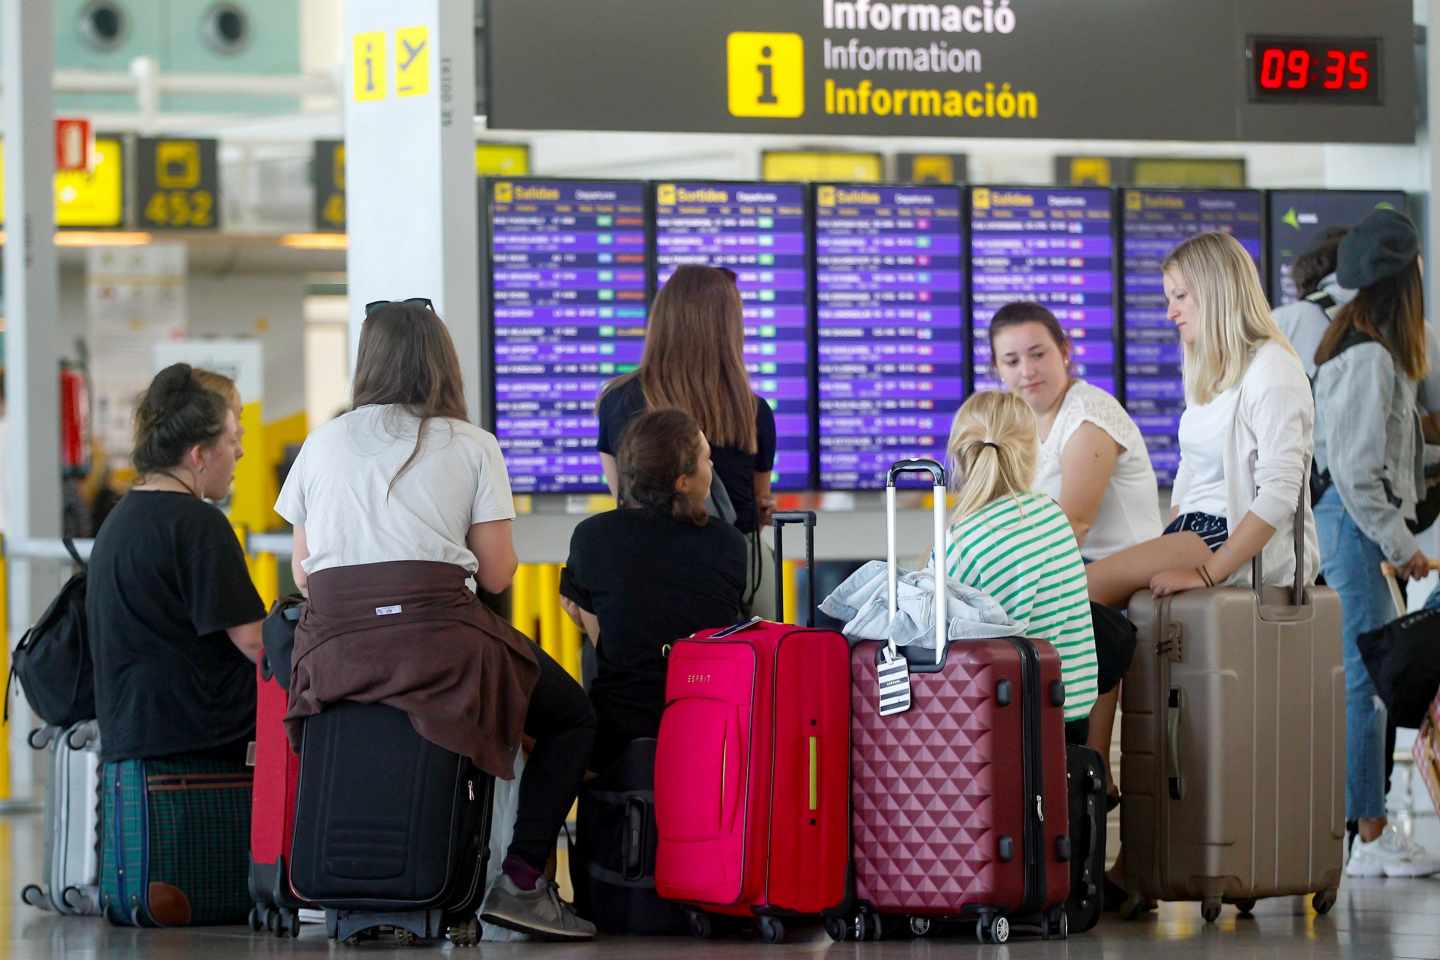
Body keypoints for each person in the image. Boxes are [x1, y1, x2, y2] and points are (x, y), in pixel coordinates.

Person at [275, 300, 597, 940]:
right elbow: (498, 574)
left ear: (367, 362)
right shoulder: (472, 445)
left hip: (335, 653)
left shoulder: (321, 442)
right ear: (441, 363)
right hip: (442, 648)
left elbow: (304, 575)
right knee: (572, 719)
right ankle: (524, 881)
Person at [1086, 231, 1319, 607]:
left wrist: (1208, 572)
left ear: (1216, 292)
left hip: (1228, 538)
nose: (1170, 312)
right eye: (1168, 299)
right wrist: (1170, 542)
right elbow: (1190, 471)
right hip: (1195, 530)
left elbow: (1280, 493)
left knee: (1079, 590)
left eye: (1180, 296)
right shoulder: (1212, 375)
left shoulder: (1273, 369)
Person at [988, 300, 1161, 803]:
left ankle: (1087, 767)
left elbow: (1073, 525)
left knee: (1048, 608)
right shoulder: (1025, 426)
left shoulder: (1088, 413)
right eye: (1012, 360)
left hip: (1119, 569)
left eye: (1038, 354)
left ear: (1066, 351)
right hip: (1076, 566)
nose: (1027, 371)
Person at [1312, 208, 1440, 878]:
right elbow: (1358, 473)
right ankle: (1368, 828)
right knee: (1367, 681)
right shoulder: (1366, 357)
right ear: (1407, 275)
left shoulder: (1366, 345)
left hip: (1356, 525)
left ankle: (1367, 821)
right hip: (1353, 525)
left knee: (1375, 677)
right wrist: (1401, 541)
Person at [87, 362, 264, 765]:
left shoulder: (122, 517)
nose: (239, 452)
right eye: (232, 439)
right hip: (195, 747)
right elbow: (255, 642)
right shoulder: (198, 524)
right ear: (199, 455)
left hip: (134, 739)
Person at [562, 408, 747, 772]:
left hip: (620, 733)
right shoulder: (729, 543)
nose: (712, 470)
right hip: (711, 727)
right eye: (707, 459)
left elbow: (592, 623)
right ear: (683, 481)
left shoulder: (592, 537)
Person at [596, 265, 777, 617]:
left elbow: (624, 495)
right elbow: (756, 506)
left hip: (640, 568)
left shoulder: (617, 400)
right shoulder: (751, 410)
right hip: (736, 575)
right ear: (727, 329)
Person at [942, 390, 1099, 743]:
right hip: (1069, 714)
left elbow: (942, 642)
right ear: (1033, 453)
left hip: (1003, 723)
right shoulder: (1052, 515)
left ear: (959, 458)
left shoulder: (961, 539)